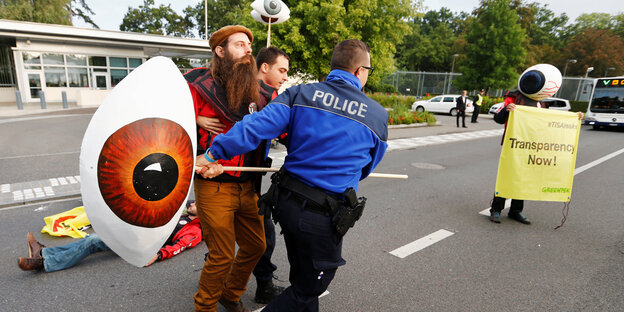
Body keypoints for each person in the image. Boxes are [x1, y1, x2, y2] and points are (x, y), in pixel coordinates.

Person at [196, 39, 388, 312]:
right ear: (359, 71)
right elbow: (367, 167)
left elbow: (254, 127)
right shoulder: (376, 115)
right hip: (322, 216)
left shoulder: (300, 95)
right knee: (310, 286)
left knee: (301, 275)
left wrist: (213, 154)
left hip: (286, 204)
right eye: (368, 69)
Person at [184, 25, 268, 312]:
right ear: (220, 51)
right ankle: (204, 308)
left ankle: (230, 295)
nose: (247, 50)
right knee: (221, 256)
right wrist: (194, 118)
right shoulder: (196, 85)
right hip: (213, 185)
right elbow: (167, 120)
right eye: (239, 45)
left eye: (248, 45)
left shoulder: (256, 91)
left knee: (256, 246)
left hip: (248, 186)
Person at [490, 66, 583, 224]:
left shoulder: (541, 104)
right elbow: (498, 118)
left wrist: (575, 117)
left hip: (532, 147)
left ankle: (516, 210)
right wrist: (507, 109)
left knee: (524, 177)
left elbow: (550, 122)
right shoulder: (513, 98)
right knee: (508, 176)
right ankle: (496, 209)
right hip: (513, 145)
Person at [17, 200, 202, 272]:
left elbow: (180, 246)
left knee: (93, 240)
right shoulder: (183, 214)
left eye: (196, 204)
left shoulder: (195, 230)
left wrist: (159, 255)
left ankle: (44, 262)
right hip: (137, 232)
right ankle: (44, 253)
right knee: (99, 234)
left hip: (143, 244)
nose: (192, 202)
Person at [252, 46, 290, 305]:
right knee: (262, 235)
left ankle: (260, 283)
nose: (286, 76)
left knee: (259, 233)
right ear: (264, 67)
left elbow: (288, 133)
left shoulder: (273, 97)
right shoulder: (241, 90)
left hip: (251, 177)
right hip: (222, 175)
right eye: (282, 70)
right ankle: (263, 285)